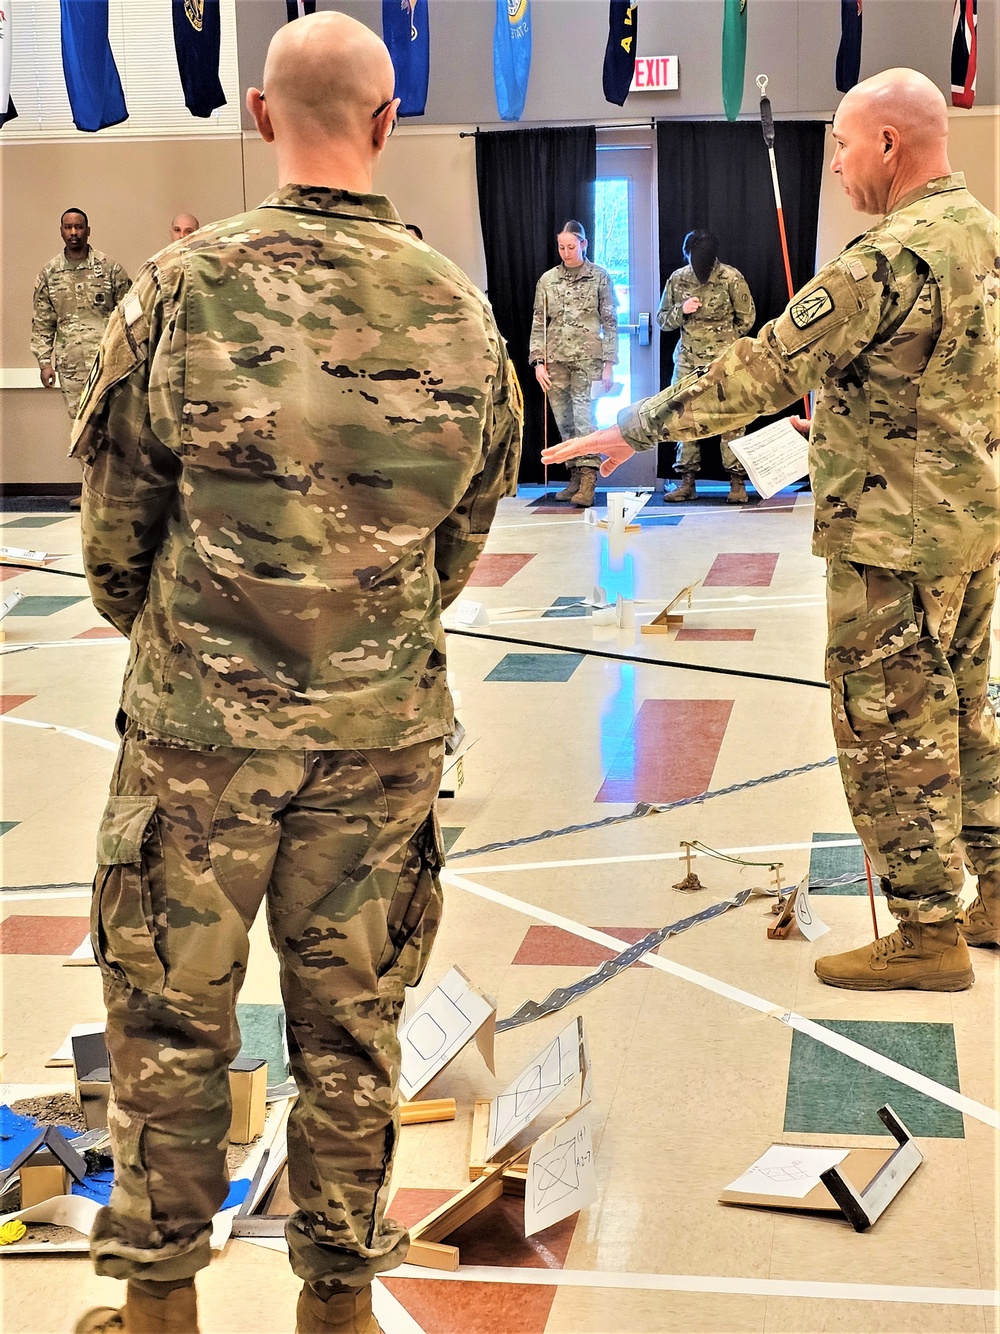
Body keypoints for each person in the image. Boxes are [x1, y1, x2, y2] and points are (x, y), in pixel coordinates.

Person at [70, 12, 521, 1334]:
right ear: (386, 126)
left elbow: (112, 532)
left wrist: (192, 634)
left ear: (260, 119)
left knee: (169, 1018)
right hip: (381, 735)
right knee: (355, 1022)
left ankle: (160, 1305)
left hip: (201, 734)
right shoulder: (459, 313)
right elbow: (463, 534)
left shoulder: (179, 290)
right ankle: (337, 1302)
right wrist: (365, 627)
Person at [542, 68, 999, 992]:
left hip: (891, 539)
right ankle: (993, 888)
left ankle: (925, 932)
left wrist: (632, 426)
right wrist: (845, 419)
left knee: (891, 727)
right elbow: (947, 384)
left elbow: (752, 371)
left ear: (887, 145)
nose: (835, 164)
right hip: (970, 524)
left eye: (839, 143)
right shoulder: (984, 237)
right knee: (963, 711)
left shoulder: (886, 259)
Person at [31, 208, 130, 508]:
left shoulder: (109, 268)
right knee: (81, 427)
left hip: (108, 362)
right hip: (72, 365)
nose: (74, 232)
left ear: (89, 230)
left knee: (115, 424)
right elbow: (42, 321)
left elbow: (129, 314)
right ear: (61, 231)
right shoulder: (49, 274)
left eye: (79, 227)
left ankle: (120, 492)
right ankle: (90, 490)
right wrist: (44, 362)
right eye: (68, 227)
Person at [656, 230, 755, 504]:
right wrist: (682, 310)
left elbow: (747, 319)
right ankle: (687, 482)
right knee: (683, 420)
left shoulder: (731, 278)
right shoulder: (678, 279)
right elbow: (662, 320)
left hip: (725, 362)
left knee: (731, 419)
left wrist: (724, 341)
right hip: (688, 362)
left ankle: (737, 482)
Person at [529, 220, 618, 508]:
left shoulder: (600, 278)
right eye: (561, 247)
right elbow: (539, 322)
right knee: (564, 420)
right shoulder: (548, 280)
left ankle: (590, 479)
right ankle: (575, 476)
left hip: (588, 360)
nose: (565, 252)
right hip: (556, 359)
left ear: (583, 245)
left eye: (570, 246)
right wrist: (538, 362)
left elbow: (610, 323)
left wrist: (609, 363)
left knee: (585, 418)